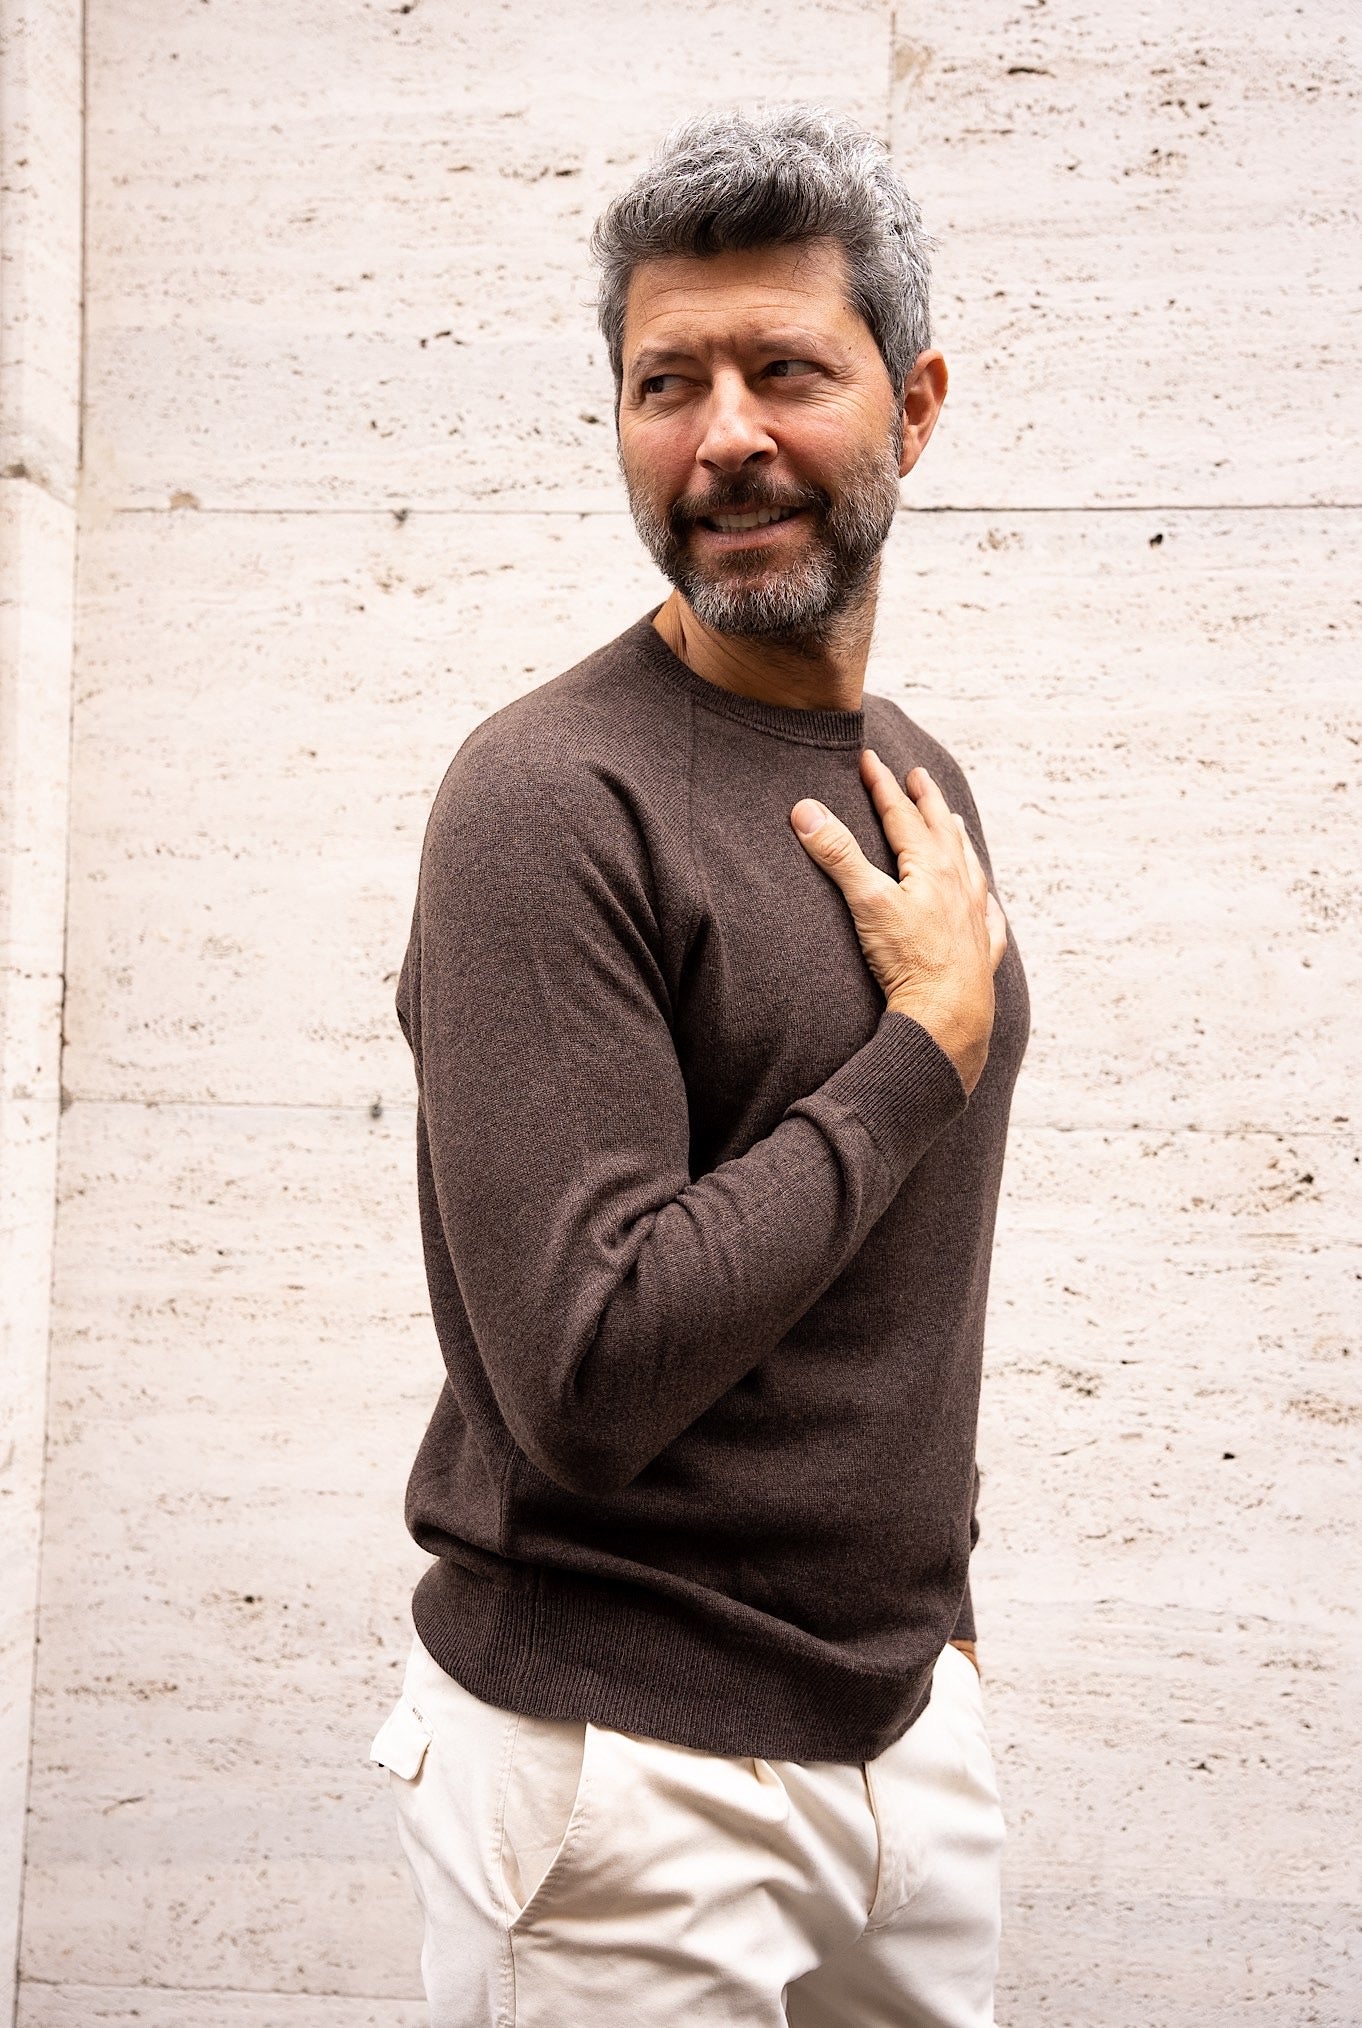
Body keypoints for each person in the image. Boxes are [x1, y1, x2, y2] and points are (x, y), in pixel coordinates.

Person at [369, 103, 1030, 2028]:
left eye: (784, 371)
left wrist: (938, 1639)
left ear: (911, 407)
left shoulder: (911, 780)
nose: (722, 433)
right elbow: (584, 1373)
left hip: (899, 1741)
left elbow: (907, 1291)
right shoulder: (545, 800)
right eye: (667, 383)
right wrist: (916, 1055)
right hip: (624, 1780)